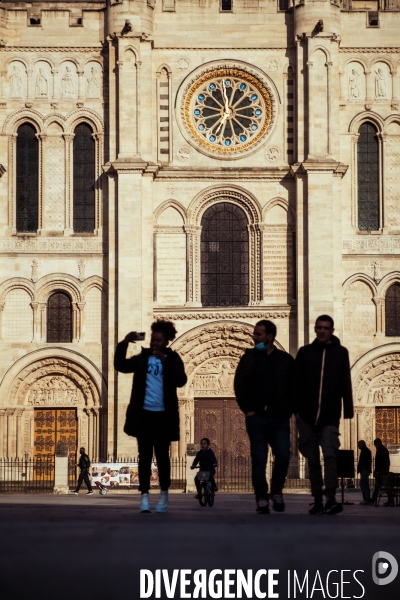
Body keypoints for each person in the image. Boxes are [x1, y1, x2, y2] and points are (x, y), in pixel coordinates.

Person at [114, 320, 187, 513]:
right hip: (144, 415)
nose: (154, 343)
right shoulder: (142, 358)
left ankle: (164, 493)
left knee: (163, 457)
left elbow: (181, 380)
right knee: (144, 457)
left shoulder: (173, 358)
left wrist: (166, 362)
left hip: (163, 416)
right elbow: (120, 365)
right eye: (153, 339)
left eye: (159, 340)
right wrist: (124, 342)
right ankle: (144, 496)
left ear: (166, 341)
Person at [234, 319, 295, 514]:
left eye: (258, 334)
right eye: (254, 334)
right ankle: (261, 497)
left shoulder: (285, 360)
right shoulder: (249, 358)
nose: (254, 337)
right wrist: (248, 409)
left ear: (269, 337)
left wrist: (289, 409)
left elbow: (296, 386)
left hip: (279, 418)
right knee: (259, 459)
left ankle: (276, 490)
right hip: (257, 417)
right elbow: (239, 384)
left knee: (284, 454)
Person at [295, 315, 353, 515]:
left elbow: (346, 381)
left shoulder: (340, 353)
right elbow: (296, 381)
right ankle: (317, 499)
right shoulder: (305, 353)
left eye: (326, 328)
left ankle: (331, 498)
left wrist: (349, 409)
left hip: (329, 415)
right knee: (312, 459)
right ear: (315, 329)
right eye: (319, 327)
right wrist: (297, 410)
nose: (322, 331)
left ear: (332, 330)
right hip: (306, 416)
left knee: (330, 455)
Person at [372, 438, 390, 505]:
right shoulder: (381, 450)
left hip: (382, 472)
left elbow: (385, 462)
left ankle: (373, 499)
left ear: (377, 444)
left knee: (380, 486)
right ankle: (373, 499)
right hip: (380, 471)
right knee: (381, 487)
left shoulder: (383, 451)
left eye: (375, 444)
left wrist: (384, 471)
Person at [357, 440, 373, 505]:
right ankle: (367, 498)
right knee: (366, 484)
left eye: (359, 444)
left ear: (362, 444)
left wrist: (361, 468)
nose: (358, 446)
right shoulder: (365, 451)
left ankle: (366, 498)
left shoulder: (365, 451)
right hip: (365, 470)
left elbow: (364, 462)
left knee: (362, 483)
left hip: (365, 470)